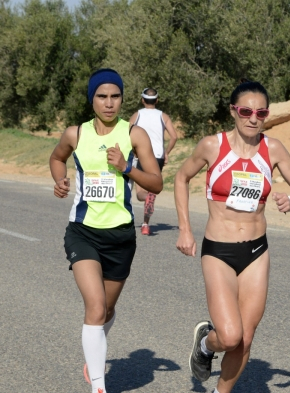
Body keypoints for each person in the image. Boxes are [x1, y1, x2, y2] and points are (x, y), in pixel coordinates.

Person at [174, 80, 290, 393]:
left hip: (256, 252)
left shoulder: (272, 149)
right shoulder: (213, 145)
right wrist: (184, 228)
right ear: (233, 111)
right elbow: (181, 177)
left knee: (245, 338)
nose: (253, 118)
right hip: (218, 251)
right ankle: (207, 345)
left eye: (260, 112)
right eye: (246, 111)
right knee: (230, 335)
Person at [49, 68, 163, 393]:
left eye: (115, 96)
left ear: (123, 99)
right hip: (83, 232)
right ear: (92, 99)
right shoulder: (77, 134)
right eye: (102, 96)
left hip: (121, 236)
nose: (109, 103)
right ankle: (99, 386)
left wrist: (127, 168)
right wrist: (59, 180)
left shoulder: (134, 135)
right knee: (96, 307)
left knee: (107, 311)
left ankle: (94, 351)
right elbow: (57, 158)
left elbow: (156, 182)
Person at [129, 88, 178, 235]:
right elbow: (174, 137)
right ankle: (145, 224)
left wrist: (132, 151)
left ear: (142, 100)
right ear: (157, 100)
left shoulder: (137, 115)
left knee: (139, 193)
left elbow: (127, 132)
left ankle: (146, 202)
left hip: (142, 155)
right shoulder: (163, 116)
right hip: (158, 156)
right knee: (152, 188)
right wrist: (166, 152)